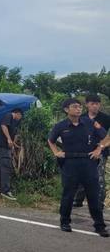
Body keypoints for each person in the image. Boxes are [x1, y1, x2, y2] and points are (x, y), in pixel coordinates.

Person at [47, 98, 108, 236]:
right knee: (68, 194)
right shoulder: (60, 126)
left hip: (88, 162)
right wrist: (56, 152)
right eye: (75, 106)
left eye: (80, 107)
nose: (79, 109)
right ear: (66, 110)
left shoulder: (90, 123)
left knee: (94, 195)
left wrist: (99, 149)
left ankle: (99, 226)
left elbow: (106, 137)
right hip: (70, 162)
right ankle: (65, 222)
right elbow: (50, 140)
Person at [73, 94, 110, 208]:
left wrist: (101, 147)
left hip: (100, 152)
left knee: (98, 178)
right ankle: (78, 200)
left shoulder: (106, 118)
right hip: (84, 152)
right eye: (92, 104)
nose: (95, 106)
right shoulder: (81, 117)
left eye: (97, 104)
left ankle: (99, 203)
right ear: (87, 105)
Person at [0, 107, 23, 200]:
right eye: (21, 116)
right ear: (18, 113)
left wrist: (14, 143)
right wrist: (8, 139)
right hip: (2, 146)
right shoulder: (9, 115)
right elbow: (3, 126)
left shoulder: (14, 123)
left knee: (5, 167)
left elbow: (14, 134)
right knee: (6, 167)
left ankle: (3, 189)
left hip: (6, 147)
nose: (20, 118)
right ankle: (5, 191)